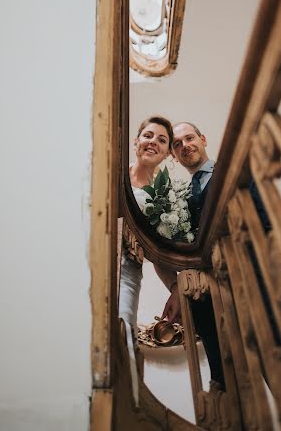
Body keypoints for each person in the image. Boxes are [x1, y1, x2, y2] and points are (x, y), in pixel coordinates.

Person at [155, 122, 281, 427]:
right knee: (229, 365)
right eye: (177, 144)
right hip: (213, 294)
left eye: (189, 138)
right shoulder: (181, 198)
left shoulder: (234, 172)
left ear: (203, 139)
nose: (185, 145)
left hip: (250, 275)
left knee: (274, 350)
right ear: (174, 155)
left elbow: (264, 221)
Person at [119, 115, 173, 403]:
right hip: (97, 260)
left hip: (128, 271)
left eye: (162, 140)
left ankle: (125, 402)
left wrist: (175, 290)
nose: (153, 142)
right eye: (148, 135)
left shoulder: (164, 198)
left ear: (167, 153)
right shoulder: (114, 175)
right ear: (136, 141)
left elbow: (161, 255)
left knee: (122, 328)